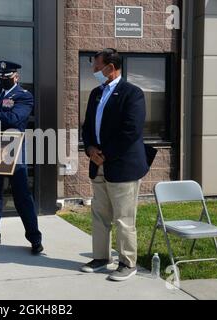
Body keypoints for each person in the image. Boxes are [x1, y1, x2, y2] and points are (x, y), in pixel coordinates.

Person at [81, 49, 149, 281]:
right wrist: (90, 149)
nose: (94, 71)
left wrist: (105, 154)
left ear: (111, 68)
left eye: (97, 67)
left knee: (123, 218)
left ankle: (127, 263)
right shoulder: (95, 94)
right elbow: (87, 127)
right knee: (100, 215)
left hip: (122, 165)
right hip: (97, 163)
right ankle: (101, 258)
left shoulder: (132, 94)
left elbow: (131, 131)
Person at [0, 61, 44, 255]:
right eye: (1, 77)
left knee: (22, 197)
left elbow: (14, 118)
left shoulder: (24, 96)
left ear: (16, 77)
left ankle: (35, 239)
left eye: (7, 77)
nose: (3, 80)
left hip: (14, 148)